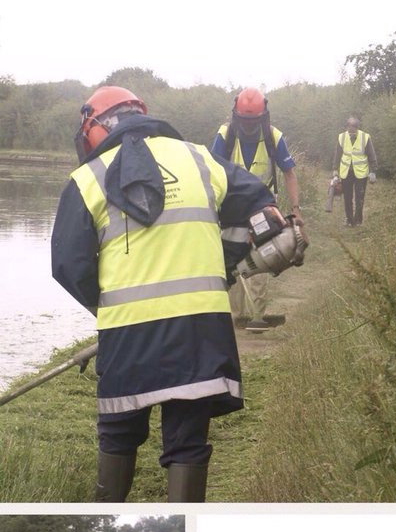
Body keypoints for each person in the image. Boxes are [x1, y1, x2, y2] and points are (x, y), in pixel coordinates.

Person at [51, 86, 277, 503]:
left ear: (95, 129)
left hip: (127, 338)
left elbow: (68, 265)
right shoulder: (200, 160)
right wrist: (223, 263)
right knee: (189, 441)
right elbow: (264, 212)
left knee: (118, 435)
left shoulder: (87, 180)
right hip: (202, 330)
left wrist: (107, 307)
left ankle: (107, 515)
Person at [211, 88, 303, 329]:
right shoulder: (225, 135)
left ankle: (257, 316)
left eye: (253, 121)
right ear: (236, 117)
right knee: (229, 261)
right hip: (229, 210)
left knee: (262, 259)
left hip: (262, 209)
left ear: (263, 117)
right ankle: (234, 316)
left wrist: (296, 209)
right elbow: (209, 171)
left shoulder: (273, 136)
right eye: (244, 121)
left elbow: (289, 173)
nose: (249, 126)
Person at [330, 117, 378, 227]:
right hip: (346, 172)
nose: (351, 130)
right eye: (349, 128)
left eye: (353, 128)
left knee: (359, 197)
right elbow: (337, 154)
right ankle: (349, 219)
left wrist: (373, 171)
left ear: (357, 127)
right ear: (346, 127)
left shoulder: (365, 137)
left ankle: (358, 221)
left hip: (361, 173)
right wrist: (335, 169)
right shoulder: (342, 137)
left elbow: (371, 154)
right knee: (347, 197)